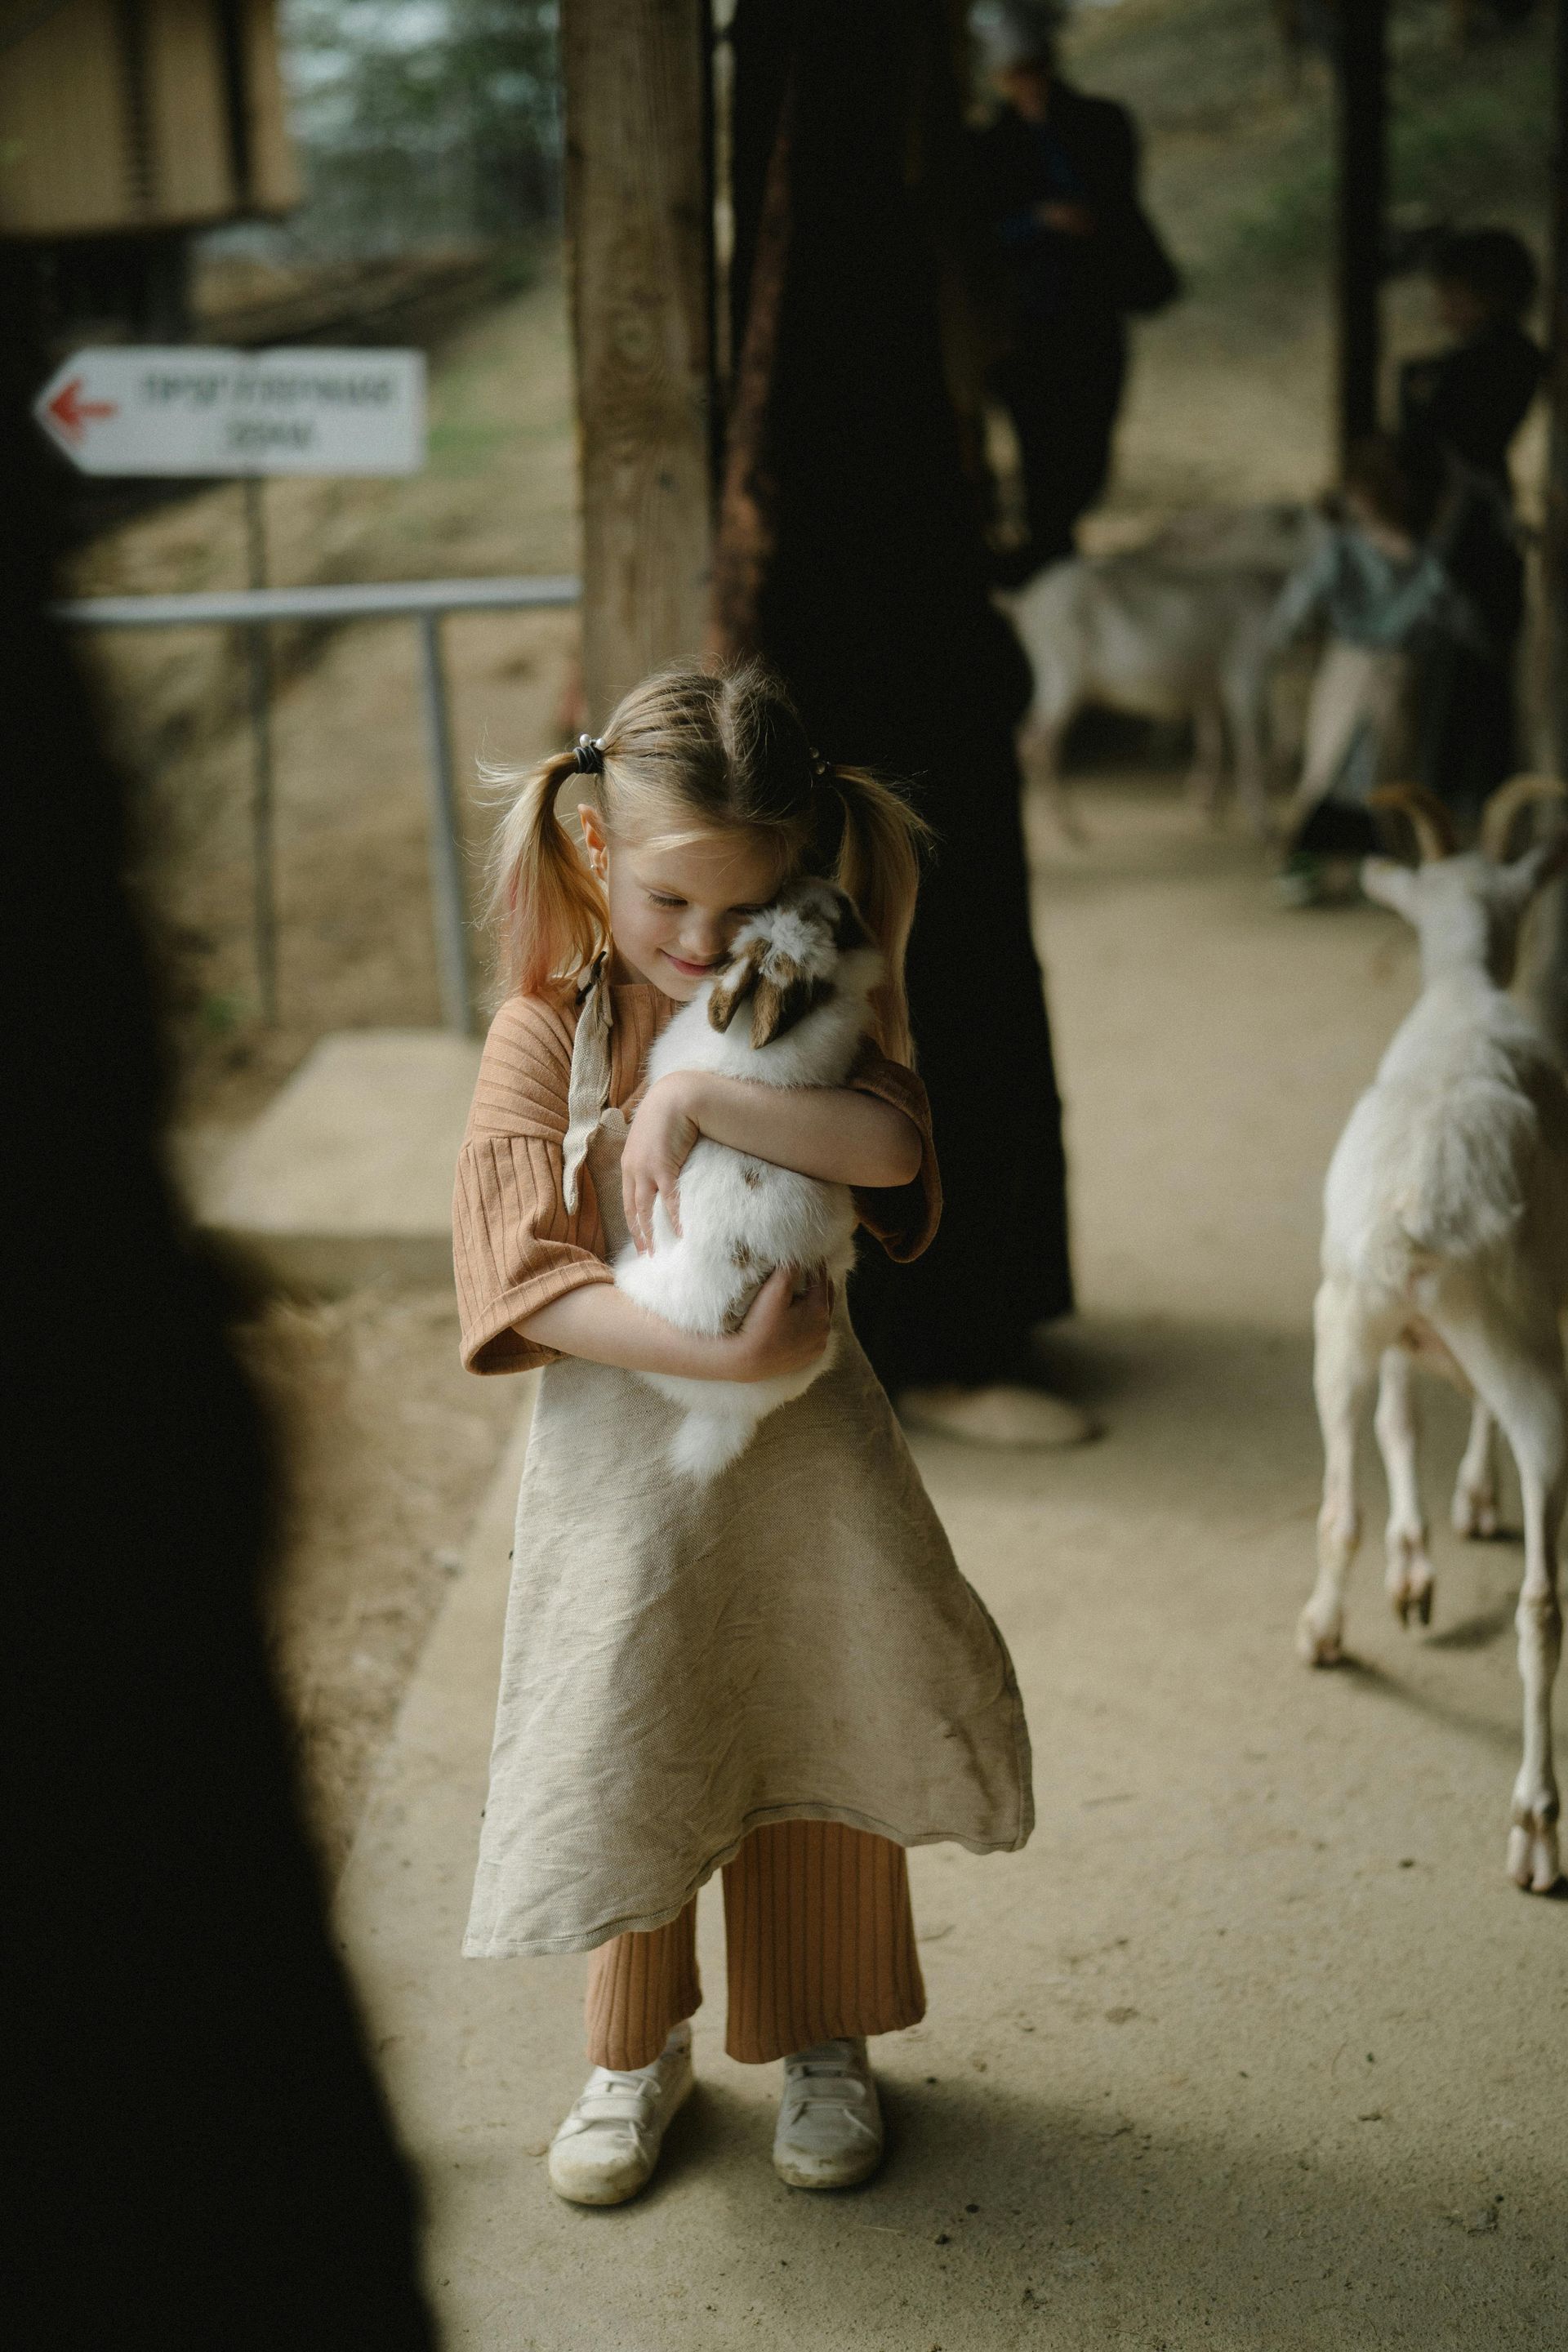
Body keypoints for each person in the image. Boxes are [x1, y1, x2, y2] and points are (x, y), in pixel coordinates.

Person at [452, 661, 1033, 2207]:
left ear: (800, 873)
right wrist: (709, 1345)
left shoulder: (812, 987)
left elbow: (893, 1142)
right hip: (628, 1469)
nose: (705, 944)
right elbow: (521, 1277)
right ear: (595, 853)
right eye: (669, 906)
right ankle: (633, 2053)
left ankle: (826, 2036)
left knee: (816, 1696)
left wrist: (696, 1105)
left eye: (741, 905)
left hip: (802, 1461)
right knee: (640, 1720)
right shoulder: (543, 1034)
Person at [972, 1, 1179, 580]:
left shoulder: (1100, 123)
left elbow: (1119, 198)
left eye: (1033, 68)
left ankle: (1050, 553)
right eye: (1016, 74)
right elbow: (979, 232)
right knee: (1041, 449)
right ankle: (1049, 563)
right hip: (1029, 321)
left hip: (1092, 309)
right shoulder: (989, 147)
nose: (1027, 83)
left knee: (1090, 443)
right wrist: (1038, 222)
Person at [1271, 434, 1486, 904]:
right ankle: (1364, 871)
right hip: (1391, 675)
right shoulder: (1422, 560)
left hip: (1357, 671)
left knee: (1348, 773)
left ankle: (1348, 870)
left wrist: (1286, 642)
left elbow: (1294, 611)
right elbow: (1461, 620)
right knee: (1364, 774)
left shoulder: (1348, 552)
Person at [1398, 227, 1545, 829]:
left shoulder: (1470, 368)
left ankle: (1456, 815)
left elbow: (1430, 450)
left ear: (1480, 296)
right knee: (1480, 683)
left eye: (1448, 294)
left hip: (1467, 540)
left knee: (1456, 688)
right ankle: (1479, 811)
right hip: (1490, 539)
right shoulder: (1521, 358)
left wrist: (1416, 398)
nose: (1439, 309)